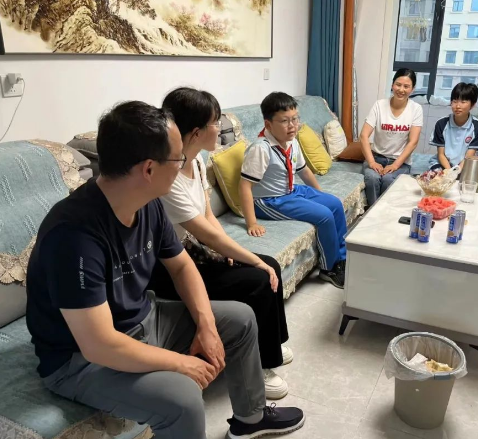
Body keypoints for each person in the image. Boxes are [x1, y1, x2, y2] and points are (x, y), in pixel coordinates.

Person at [25, 101, 304, 439]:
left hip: (145, 320)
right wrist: (181, 363)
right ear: (148, 169)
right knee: (182, 399)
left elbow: (182, 266)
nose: (183, 164)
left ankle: (251, 418)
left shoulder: (148, 204)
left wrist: (206, 325)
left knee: (241, 318)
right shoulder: (73, 235)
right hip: (80, 360)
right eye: (177, 158)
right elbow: (99, 345)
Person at [150, 87, 291, 400]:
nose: (221, 128)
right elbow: (205, 233)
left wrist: (229, 252)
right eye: (216, 122)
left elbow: (208, 216)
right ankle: (263, 365)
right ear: (197, 132)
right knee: (258, 277)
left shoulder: (198, 162)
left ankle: (273, 343)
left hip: (198, 253)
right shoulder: (168, 177)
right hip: (173, 267)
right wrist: (248, 258)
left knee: (271, 264)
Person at [238, 92, 347, 289]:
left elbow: (303, 171)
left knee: (334, 204)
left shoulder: (292, 141)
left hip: (291, 190)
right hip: (269, 200)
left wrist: (320, 195)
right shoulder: (261, 149)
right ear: (268, 124)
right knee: (324, 216)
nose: (292, 125)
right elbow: (245, 186)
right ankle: (329, 269)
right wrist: (251, 222)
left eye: (295, 119)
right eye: (285, 121)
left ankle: (341, 258)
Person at [360, 68, 423, 207]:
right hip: (377, 157)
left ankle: (384, 211)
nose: (401, 89)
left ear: (412, 89)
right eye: (398, 85)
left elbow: (413, 142)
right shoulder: (379, 105)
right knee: (372, 178)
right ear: (392, 85)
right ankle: (373, 212)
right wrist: (371, 162)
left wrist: (395, 165)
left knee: (389, 179)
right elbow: (364, 136)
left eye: (406, 86)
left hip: (400, 161)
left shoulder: (416, 109)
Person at [429, 82, 478, 171]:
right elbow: (441, 154)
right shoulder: (441, 124)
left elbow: (469, 156)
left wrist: (456, 172)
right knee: (436, 176)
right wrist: (449, 172)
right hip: (442, 163)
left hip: (465, 164)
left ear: (472, 105)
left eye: (463, 102)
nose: (458, 106)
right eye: (455, 101)